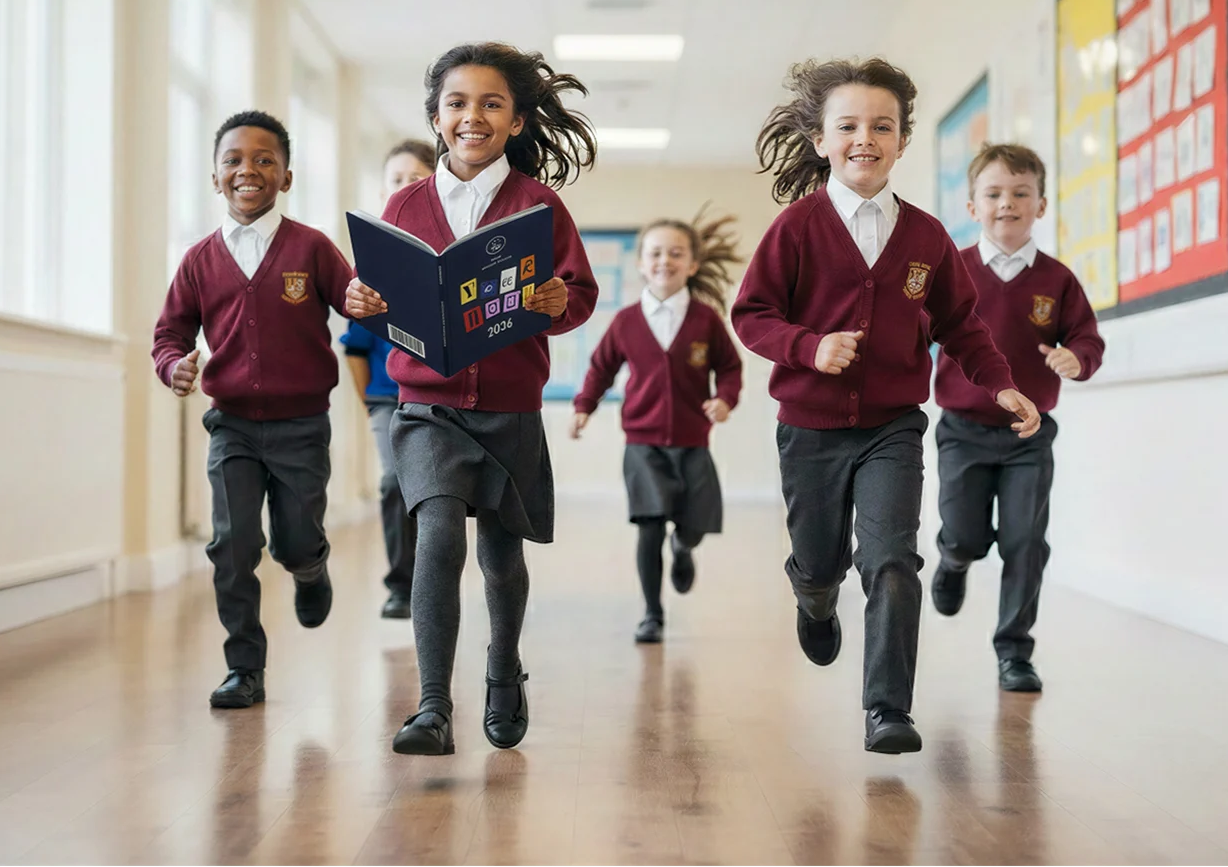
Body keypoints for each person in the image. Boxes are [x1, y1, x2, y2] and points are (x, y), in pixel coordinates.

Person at [730, 58, 1041, 753]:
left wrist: (1000, 383)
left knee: (894, 558)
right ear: (820, 139)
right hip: (809, 428)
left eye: (882, 126)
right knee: (820, 563)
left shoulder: (926, 237)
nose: (864, 138)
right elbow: (751, 315)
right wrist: (809, 347)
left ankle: (887, 708)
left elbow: (962, 326)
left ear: (902, 140)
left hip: (893, 428)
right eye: (848, 126)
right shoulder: (796, 227)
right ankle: (813, 598)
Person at [344, 42, 599, 755]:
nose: (472, 116)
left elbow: (579, 295)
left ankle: (502, 670)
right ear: (436, 117)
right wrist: (365, 303)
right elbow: (382, 302)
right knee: (438, 534)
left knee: (501, 555)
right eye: (457, 103)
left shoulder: (540, 206)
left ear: (516, 121)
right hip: (426, 406)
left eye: (492, 103)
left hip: (509, 409)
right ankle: (432, 705)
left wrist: (557, 300)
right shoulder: (405, 204)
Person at [153, 110, 353, 709]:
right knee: (232, 546)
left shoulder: (312, 247)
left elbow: (356, 303)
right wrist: (174, 365)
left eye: (265, 160)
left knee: (294, 541)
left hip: (302, 426)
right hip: (232, 426)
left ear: (286, 177)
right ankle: (244, 667)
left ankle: (310, 570)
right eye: (234, 160)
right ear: (215, 177)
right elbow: (169, 335)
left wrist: (378, 304)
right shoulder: (198, 260)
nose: (248, 170)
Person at [931, 142, 1105, 693]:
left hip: (1029, 436)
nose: (1007, 203)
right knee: (965, 534)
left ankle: (1014, 652)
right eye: (994, 194)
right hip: (962, 430)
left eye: (1020, 193)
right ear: (973, 206)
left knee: (1026, 541)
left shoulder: (1057, 280)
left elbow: (1087, 338)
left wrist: (1077, 358)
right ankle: (953, 560)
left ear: (1041, 205)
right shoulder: (952, 272)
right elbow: (915, 331)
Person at [570, 208, 744, 645]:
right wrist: (584, 407)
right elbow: (601, 368)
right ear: (641, 263)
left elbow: (729, 368)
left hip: (693, 441)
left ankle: (683, 548)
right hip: (642, 443)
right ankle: (652, 614)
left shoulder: (706, 321)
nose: (665, 260)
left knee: (695, 524)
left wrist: (725, 399)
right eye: (655, 253)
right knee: (649, 525)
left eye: (676, 253)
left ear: (693, 264)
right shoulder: (626, 322)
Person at [340, 139, 437, 620]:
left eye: (415, 178)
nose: (404, 187)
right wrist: (370, 403)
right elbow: (355, 348)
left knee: (436, 492)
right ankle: (402, 586)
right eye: (395, 180)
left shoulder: (447, 257)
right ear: (384, 192)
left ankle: (433, 580)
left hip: (441, 398)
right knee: (394, 482)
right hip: (387, 398)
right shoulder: (372, 265)